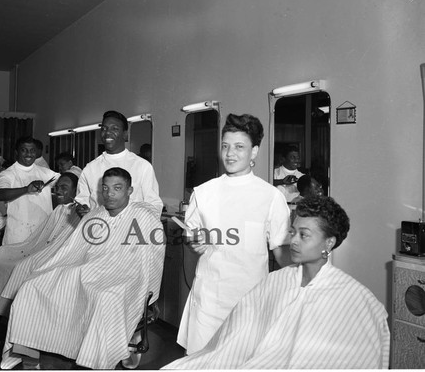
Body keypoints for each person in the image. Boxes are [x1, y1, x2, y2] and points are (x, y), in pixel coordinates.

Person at [165, 196, 390, 369]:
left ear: (329, 242)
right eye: (292, 232)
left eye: (304, 235)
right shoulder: (275, 282)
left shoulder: (356, 299)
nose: (293, 240)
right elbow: (233, 340)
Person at [0, 168, 165, 370]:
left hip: (124, 278)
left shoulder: (144, 218)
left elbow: (151, 260)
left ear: (130, 190)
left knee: (105, 299)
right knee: (30, 287)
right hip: (85, 271)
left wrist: (148, 295)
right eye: (105, 188)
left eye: (117, 188)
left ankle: (94, 361)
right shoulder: (94, 215)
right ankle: (28, 355)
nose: (110, 193)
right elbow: (70, 251)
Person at [177, 113, 291, 355]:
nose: (230, 153)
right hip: (209, 297)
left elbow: (281, 251)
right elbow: (191, 234)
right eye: (225, 146)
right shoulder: (204, 192)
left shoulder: (270, 197)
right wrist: (193, 241)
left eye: (239, 147)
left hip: (250, 300)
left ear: (254, 152)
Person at [0, 173, 80, 327]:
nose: (58, 191)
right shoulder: (60, 209)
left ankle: (5, 318)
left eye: (64, 188)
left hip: (58, 256)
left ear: (76, 189)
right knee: (2, 254)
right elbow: (41, 237)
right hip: (41, 249)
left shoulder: (78, 211)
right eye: (57, 187)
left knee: (23, 266)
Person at [75, 110, 162, 217]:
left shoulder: (142, 166)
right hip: (98, 228)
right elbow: (81, 199)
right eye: (104, 129)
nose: (107, 132)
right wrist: (81, 208)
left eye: (114, 129)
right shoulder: (90, 168)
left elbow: (153, 204)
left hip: (131, 228)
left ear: (125, 135)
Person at [0, 137, 59, 245]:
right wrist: (26, 189)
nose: (29, 154)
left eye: (32, 150)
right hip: (19, 235)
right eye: (24, 150)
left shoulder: (46, 173)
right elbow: (0, 194)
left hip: (43, 233)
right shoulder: (8, 174)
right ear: (16, 152)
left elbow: (65, 181)